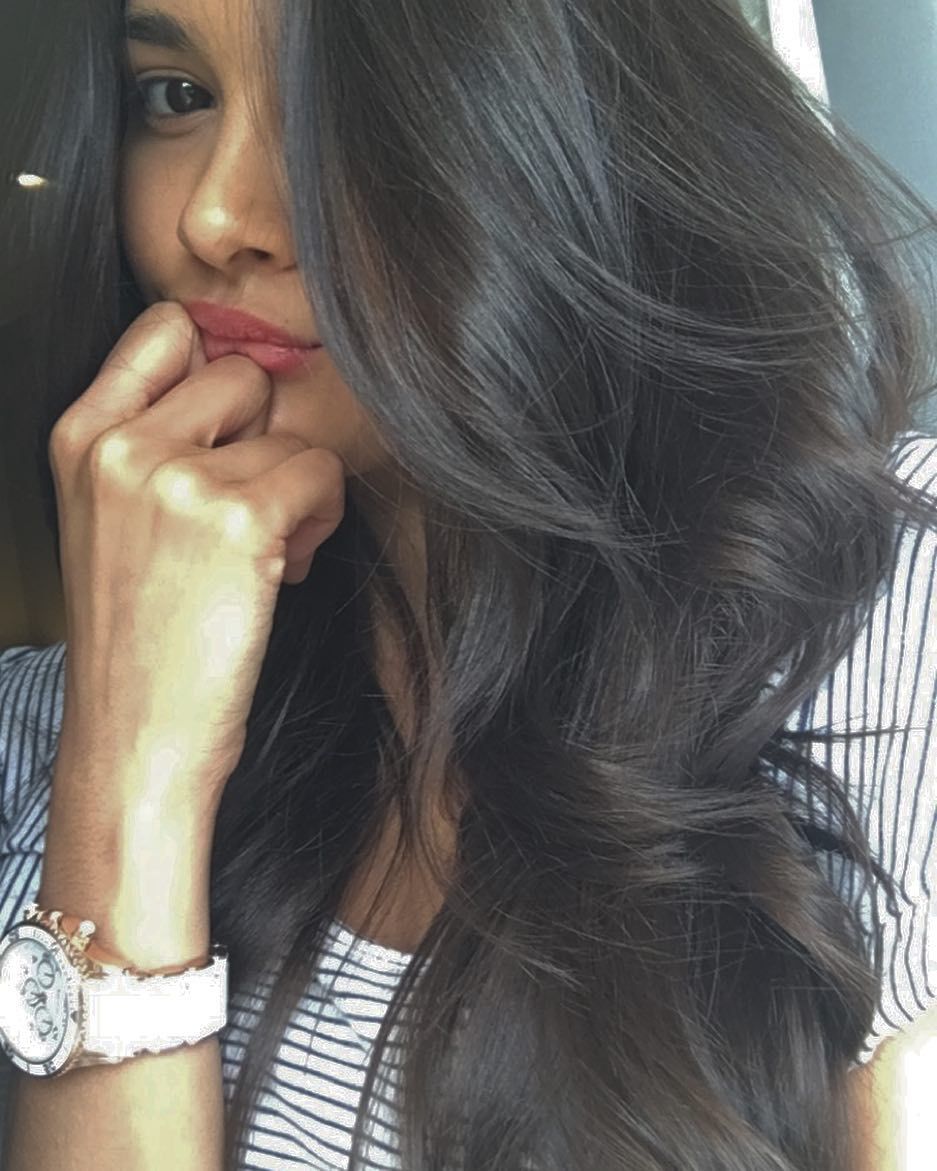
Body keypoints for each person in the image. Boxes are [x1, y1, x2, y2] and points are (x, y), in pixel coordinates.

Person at [0, 0, 936, 1168]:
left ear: (570, 113)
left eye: (342, 110)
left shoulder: (882, 611)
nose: (214, 216)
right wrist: (135, 771)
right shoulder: (45, 748)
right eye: (176, 97)